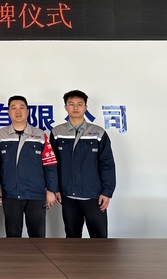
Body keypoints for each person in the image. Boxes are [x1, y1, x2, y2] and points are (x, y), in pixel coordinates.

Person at [50, 90, 116, 238]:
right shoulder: (57, 132)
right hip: (68, 195)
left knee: (99, 238)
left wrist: (107, 192)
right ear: (65, 107)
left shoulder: (98, 132)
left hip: (93, 195)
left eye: (80, 104)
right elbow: (52, 164)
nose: (75, 107)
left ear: (86, 107)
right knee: (72, 238)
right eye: (71, 104)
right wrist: (55, 188)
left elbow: (107, 164)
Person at [0, 95, 58, 238]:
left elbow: (50, 164)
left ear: (27, 111)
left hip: (36, 194)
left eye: (22, 108)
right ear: (8, 112)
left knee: (37, 237)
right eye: (13, 108)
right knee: (13, 236)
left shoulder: (40, 135)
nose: (18, 111)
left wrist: (51, 190)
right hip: (10, 193)